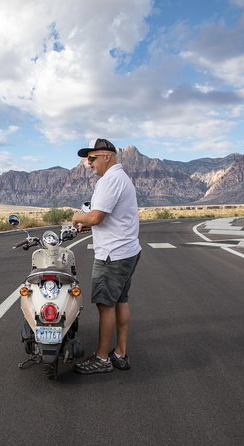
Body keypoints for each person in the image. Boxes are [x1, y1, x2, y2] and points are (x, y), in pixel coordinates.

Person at [71, 138, 141, 374]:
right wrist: (90, 223)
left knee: (105, 305)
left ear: (106, 157)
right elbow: (111, 219)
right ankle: (120, 353)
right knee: (121, 301)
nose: (88, 163)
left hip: (112, 255)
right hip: (127, 251)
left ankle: (102, 359)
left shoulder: (110, 180)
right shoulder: (122, 179)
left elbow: (95, 217)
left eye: (91, 158)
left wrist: (76, 217)